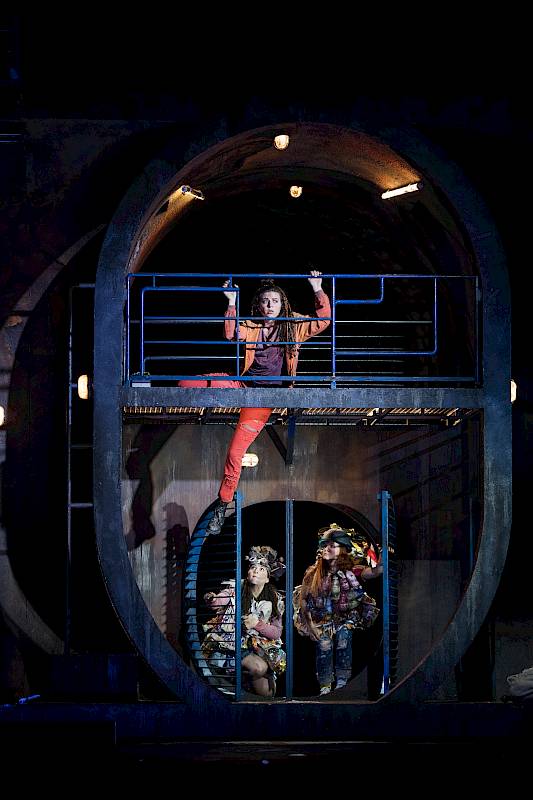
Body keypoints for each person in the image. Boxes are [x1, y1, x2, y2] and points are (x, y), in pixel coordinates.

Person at [179, 270, 331, 534]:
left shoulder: (293, 325)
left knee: (235, 454)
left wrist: (317, 289)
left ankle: (222, 503)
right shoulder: (252, 326)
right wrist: (230, 302)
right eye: (265, 301)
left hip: (264, 398)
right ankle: (144, 383)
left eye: (275, 301)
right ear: (258, 305)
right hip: (243, 386)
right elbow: (230, 333)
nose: (270, 305)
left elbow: (323, 320)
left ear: (282, 304)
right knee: (185, 385)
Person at [294, 524, 382, 696]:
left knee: (343, 639)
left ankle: (342, 682)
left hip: (344, 616)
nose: (327, 549)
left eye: (332, 546)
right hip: (322, 618)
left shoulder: (351, 570)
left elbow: (375, 572)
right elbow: (304, 600)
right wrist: (310, 625)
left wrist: (382, 555)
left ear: (342, 550)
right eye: (325, 545)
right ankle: (325, 685)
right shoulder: (313, 573)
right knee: (324, 645)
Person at [202, 546, 286, 697]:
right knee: (259, 668)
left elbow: (276, 632)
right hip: (232, 644)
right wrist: (213, 599)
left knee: (267, 693)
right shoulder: (236, 589)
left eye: (261, 569)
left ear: (267, 578)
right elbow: (219, 600)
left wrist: (257, 624)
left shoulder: (274, 599)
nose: (255, 571)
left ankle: (246, 686)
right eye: (253, 567)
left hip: (259, 648)